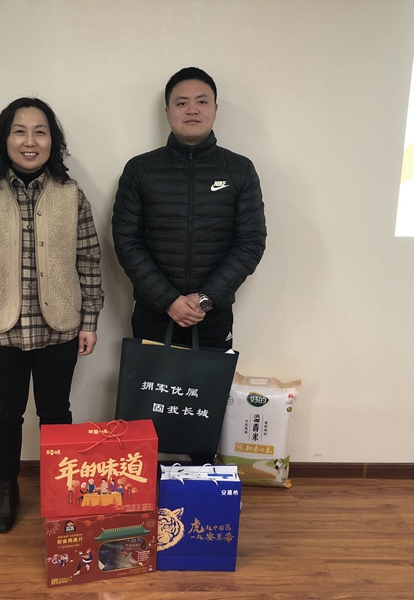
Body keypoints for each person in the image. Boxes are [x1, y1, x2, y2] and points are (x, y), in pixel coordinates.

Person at [0, 98, 104, 533]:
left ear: (53, 141)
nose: (30, 141)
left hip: (61, 328)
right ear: (5, 139)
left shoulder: (71, 196)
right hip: (0, 328)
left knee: (55, 412)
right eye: (20, 131)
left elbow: (90, 261)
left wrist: (90, 320)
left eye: (40, 131)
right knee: (5, 414)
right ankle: (7, 490)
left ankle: (58, 490)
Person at [112, 67, 266, 463]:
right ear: (168, 111)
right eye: (181, 102)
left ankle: (198, 485)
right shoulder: (140, 169)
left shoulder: (239, 170)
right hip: (153, 314)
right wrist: (167, 299)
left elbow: (250, 242)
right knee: (147, 408)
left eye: (201, 101)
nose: (192, 109)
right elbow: (126, 241)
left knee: (203, 408)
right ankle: (146, 484)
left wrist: (206, 299)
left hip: (212, 315)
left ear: (215, 109)